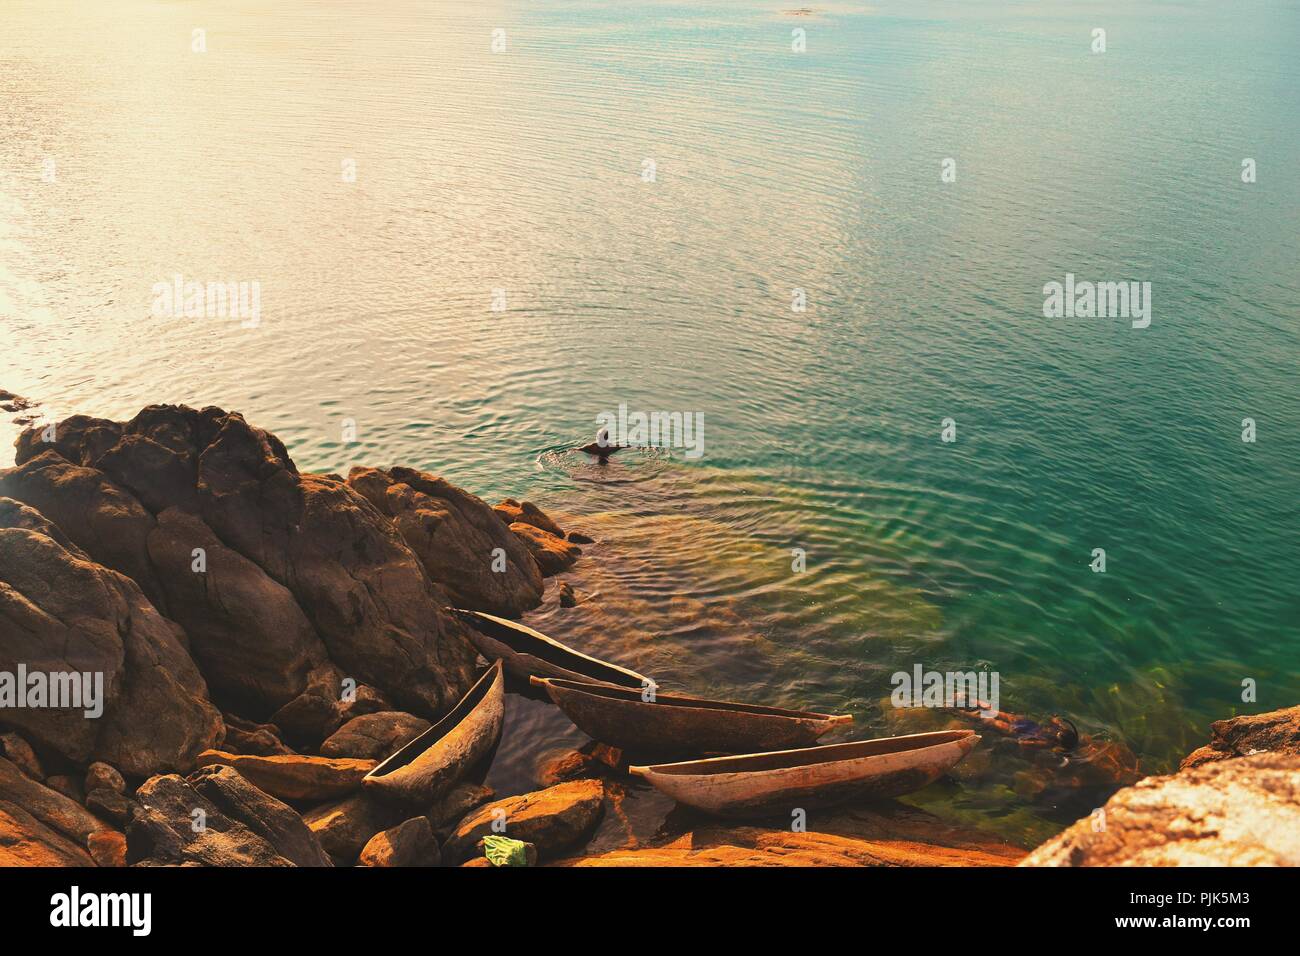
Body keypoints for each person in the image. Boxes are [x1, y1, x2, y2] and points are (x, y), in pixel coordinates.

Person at [951, 698, 1079, 751]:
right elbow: (1025, 743)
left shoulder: (1060, 728)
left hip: (1025, 722)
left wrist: (1056, 717)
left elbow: (1055, 718)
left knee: (995, 712)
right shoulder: (1049, 743)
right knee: (990, 720)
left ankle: (973, 700)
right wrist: (1020, 744)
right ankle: (958, 711)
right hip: (1019, 731)